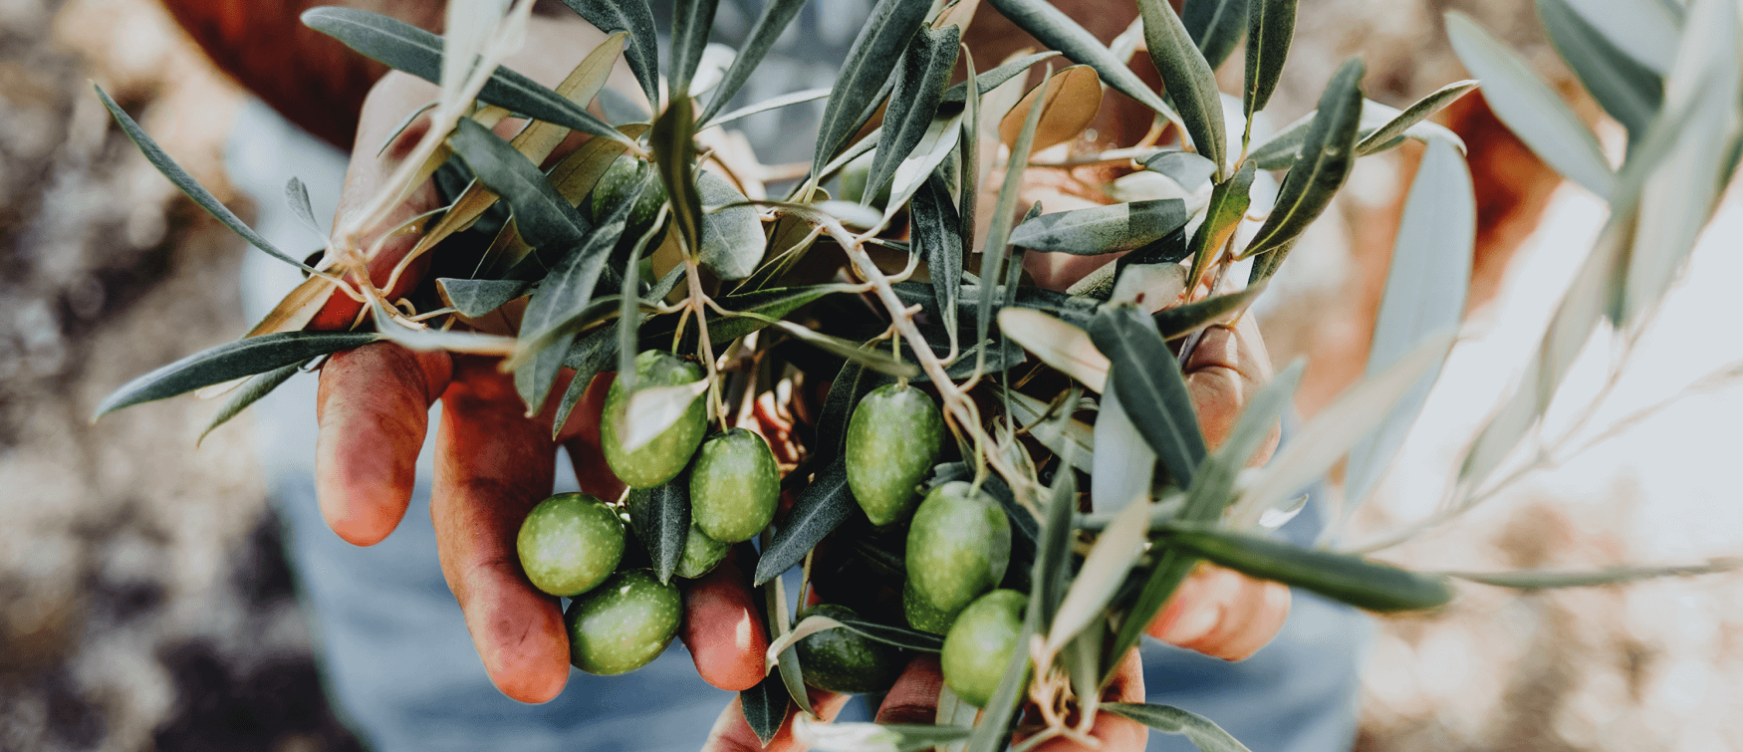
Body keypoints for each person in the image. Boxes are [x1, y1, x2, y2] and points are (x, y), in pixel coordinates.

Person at [170, 1, 1373, 750]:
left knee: (1232, 641)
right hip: (487, 358)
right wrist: (504, 108)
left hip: (1070, 316)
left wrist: (1049, 132)